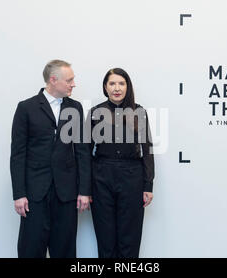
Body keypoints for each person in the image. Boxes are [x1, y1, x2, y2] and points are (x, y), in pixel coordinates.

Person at [10, 60, 91, 258]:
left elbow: (82, 151)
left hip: (66, 193)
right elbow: (18, 154)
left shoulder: (76, 108)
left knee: (65, 250)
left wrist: (84, 191)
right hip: (34, 194)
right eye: (69, 80)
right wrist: (19, 194)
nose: (73, 84)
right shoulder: (26, 108)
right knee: (31, 249)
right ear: (53, 80)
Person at [89, 68, 155, 258]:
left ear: (128, 86)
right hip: (101, 179)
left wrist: (148, 184)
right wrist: (85, 187)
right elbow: (85, 151)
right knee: (105, 238)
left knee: (130, 238)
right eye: (112, 83)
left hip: (132, 177)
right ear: (105, 87)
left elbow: (147, 149)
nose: (116, 88)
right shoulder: (95, 113)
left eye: (121, 83)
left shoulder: (139, 112)